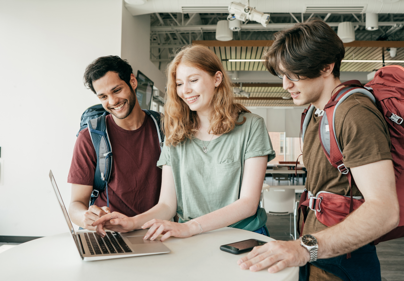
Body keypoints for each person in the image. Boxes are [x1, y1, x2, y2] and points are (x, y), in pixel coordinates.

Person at [237, 20, 399, 280]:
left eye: (293, 74)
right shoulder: (315, 113)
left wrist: (304, 248)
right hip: (316, 255)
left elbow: (385, 210)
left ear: (326, 66)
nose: (285, 85)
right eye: (282, 76)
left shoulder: (354, 113)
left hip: (344, 264)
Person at [93, 45, 275, 241]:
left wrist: (190, 227)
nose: (185, 90)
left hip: (243, 236)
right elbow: (167, 205)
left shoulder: (251, 126)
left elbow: (248, 203)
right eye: (179, 84)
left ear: (217, 79)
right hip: (192, 238)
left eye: (193, 80)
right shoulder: (176, 133)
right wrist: (133, 222)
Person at [68, 56, 163, 234]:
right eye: (103, 96)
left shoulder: (164, 129)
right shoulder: (89, 137)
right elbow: (76, 204)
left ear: (132, 81)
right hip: (109, 234)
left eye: (117, 90)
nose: (112, 101)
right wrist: (85, 217)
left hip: (155, 231)